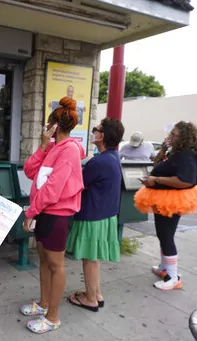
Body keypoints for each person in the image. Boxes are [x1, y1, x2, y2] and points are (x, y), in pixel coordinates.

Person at [20, 97, 85, 334]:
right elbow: (29, 171)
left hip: (57, 213)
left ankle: (53, 316)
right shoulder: (53, 148)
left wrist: (31, 212)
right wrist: (43, 145)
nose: (44, 130)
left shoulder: (68, 150)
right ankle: (44, 303)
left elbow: (53, 189)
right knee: (45, 260)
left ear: (54, 126)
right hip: (46, 211)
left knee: (56, 264)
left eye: (47, 126)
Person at [134, 121, 197, 290]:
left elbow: (185, 181)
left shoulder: (186, 156)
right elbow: (158, 163)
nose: (171, 136)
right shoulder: (180, 152)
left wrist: (156, 179)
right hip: (168, 197)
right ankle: (165, 268)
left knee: (166, 235)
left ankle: (173, 277)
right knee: (163, 234)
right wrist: (164, 149)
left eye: (174, 134)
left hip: (171, 199)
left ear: (184, 137)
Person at [66, 118, 125, 312]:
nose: (93, 132)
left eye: (96, 130)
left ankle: (90, 299)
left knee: (90, 259)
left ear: (103, 136)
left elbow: (77, 184)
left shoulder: (98, 162)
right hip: (106, 215)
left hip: (93, 216)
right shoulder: (113, 157)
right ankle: (96, 293)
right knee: (94, 258)